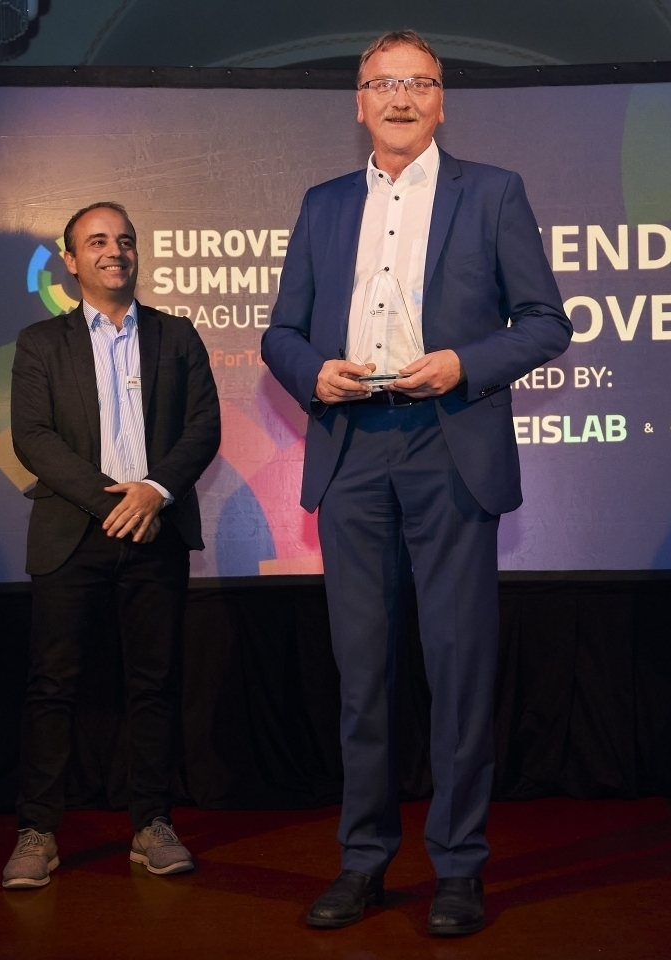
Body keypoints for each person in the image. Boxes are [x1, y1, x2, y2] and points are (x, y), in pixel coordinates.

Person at [263, 30, 572, 937]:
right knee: (363, 675)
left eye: (419, 83)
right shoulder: (322, 204)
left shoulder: (494, 192)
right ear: (359, 101)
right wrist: (312, 372)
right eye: (383, 83)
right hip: (352, 450)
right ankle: (362, 861)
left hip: (449, 447)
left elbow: (545, 322)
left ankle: (459, 869)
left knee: (459, 669)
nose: (400, 98)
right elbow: (281, 332)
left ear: (442, 100)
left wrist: (464, 363)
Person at [3, 202, 221, 889]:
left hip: (157, 534)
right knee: (52, 685)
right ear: (71, 261)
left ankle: (151, 823)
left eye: (124, 240)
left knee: (154, 685)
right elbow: (32, 438)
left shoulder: (177, 335)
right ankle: (37, 832)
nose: (114, 251)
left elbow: (204, 426)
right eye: (97, 241)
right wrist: (116, 503)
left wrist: (154, 493)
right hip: (73, 537)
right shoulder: (40, 342)